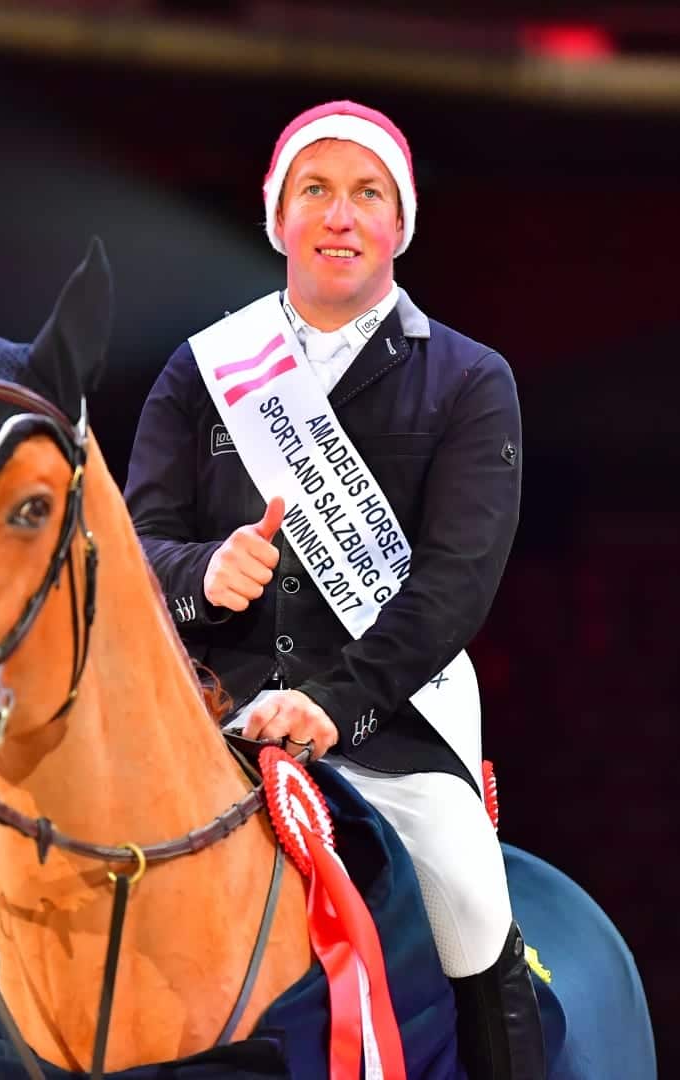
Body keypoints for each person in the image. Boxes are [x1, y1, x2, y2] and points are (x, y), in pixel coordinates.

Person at [125, 100, 543, 1079]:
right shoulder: (201, 372)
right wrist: (201, 574)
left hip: (386, 727)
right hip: (204, 723)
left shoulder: (471, 382)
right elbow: (135, 546)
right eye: (315, 190)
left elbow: (455, 581)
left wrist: (335, 703)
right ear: (279, 220)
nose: (341, 215)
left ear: (399, 224)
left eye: (367, 194)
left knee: (474, 899)